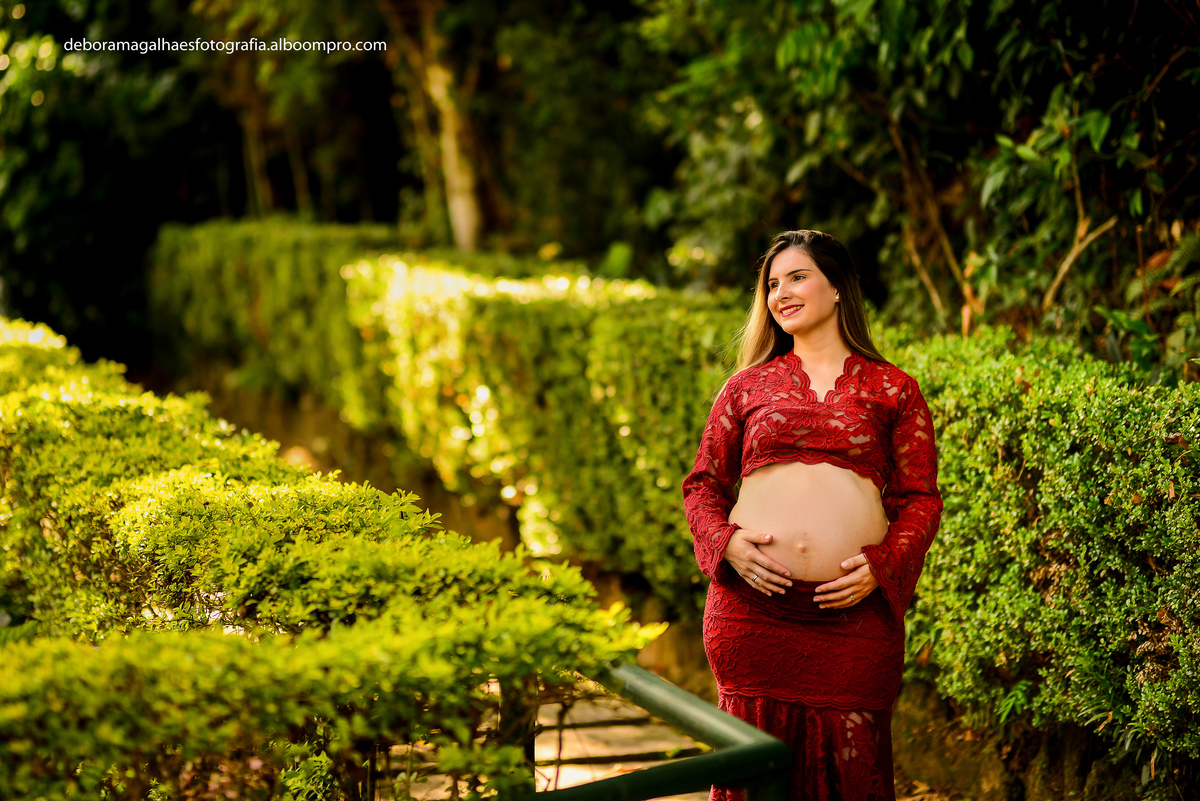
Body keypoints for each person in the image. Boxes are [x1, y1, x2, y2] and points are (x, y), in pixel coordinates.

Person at [682, 230, 942, 801]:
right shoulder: (745, 386)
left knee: (853, 776)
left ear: (838, 289)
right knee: (752, 780)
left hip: (853, 621)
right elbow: (702, 485)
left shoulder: (894, 389)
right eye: (772, 284)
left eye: (797, 277)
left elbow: (920, 499)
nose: (780, 293)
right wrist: (725, 544)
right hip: (751, 614)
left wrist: (883, 565)